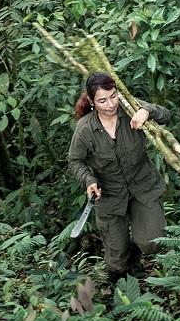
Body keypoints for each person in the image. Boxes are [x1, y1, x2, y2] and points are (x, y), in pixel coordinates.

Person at [68, 72, 171, 284]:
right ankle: (121, 288)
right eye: (102, 100)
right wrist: (89, 181)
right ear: (91, 101)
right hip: (110, 195)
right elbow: (75, 161)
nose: (110, 104)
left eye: (113, 96)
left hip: (143, 187)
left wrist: (147, 111)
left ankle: (136, 249)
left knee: (153, 243)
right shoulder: (86, 128)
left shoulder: (130, 107)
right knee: (116, 258)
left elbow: (165, 115)